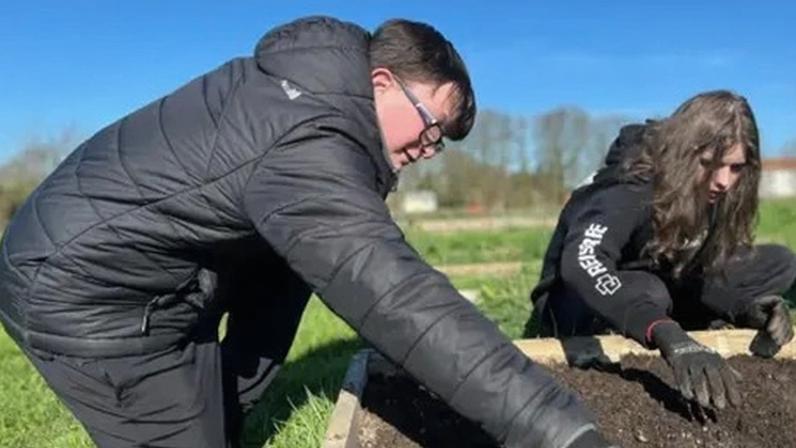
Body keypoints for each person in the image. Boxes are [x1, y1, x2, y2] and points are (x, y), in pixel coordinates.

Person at [0, 16, 615, 448]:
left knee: (289, 275)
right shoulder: (306, 141)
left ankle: (214, 417)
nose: (428, 150)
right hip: (82, 294)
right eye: (429, 127)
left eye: (440, 143)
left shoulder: (308, 96)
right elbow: (393, 292)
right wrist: (555, 427)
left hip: (153, 271)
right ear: (382, 82)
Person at [526, 90, 796, 410]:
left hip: (660, 279)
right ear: (684, 153)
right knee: (650, 290)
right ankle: (648, 321)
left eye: (735, 167)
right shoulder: (632, 181)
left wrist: (742, 308)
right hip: (577, 301)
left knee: (778, 262)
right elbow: (582, 262)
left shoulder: (715, 191)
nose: (724, 181)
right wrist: (667, 333)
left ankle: (679, 315)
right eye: (709, 163)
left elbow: (698, 268)